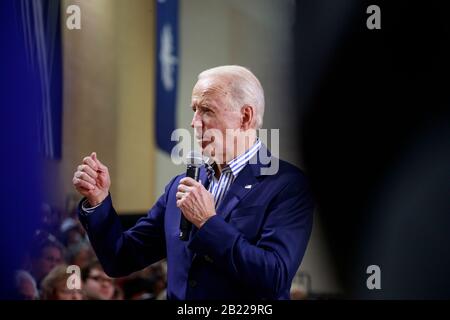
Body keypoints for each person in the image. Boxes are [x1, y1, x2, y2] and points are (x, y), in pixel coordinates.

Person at [73, 65, 314, 299]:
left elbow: (274, 278)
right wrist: (98, 201)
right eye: (194, 109)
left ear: (245, 117)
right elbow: (121, 259)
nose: (194, 122)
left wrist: (208, 222)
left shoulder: (287, 185)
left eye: (207, 110)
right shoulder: (183, 183)